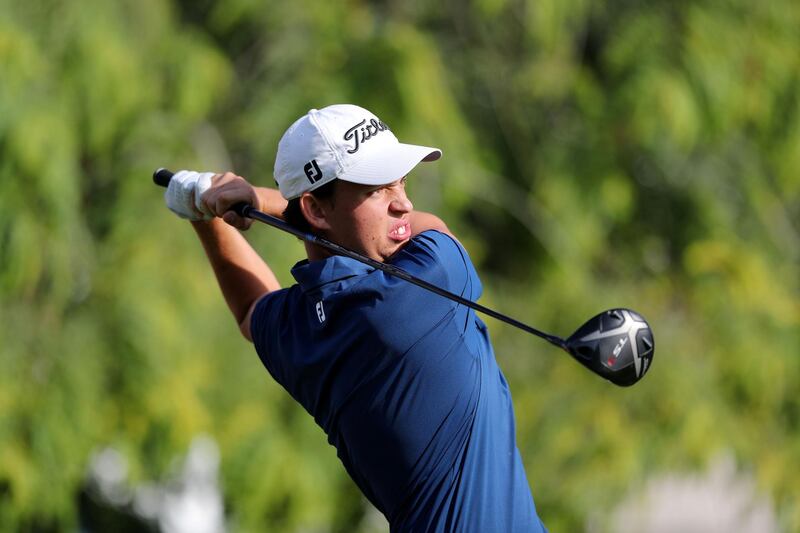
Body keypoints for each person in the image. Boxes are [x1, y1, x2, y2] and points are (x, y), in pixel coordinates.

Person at [164, 104, 547, 532]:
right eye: (377, 189)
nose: (403, 203)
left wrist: (203, 213)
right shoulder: (428, 281)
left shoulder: (300, 331)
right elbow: (430, 225)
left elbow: (252, 311)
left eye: (401, 181)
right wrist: (259, 200)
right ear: (316, 210)